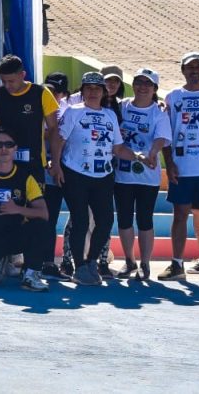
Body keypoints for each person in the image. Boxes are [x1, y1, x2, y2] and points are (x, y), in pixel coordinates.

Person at [49, 71, 145, 285]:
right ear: (82, 91)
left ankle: (91, 261)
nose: (93, 92)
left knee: (105, 221)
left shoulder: (110, 115)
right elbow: (58, 139)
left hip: (103, 175)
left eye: (97, 88)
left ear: (104, 92)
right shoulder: (73, 112)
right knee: (80, 220)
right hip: (75, 173)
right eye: (89, 88)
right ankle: (79, 267)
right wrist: (56, 165)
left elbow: (118, 147)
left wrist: (137, 156)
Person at [0, 128, 50, 292]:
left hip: (16, 236)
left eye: (9, 144)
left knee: (41, 225)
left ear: (15, 148)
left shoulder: (26, 178)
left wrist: (17, 209)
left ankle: (30, 274)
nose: (4, 149)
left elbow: (43, 213)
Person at [114, 68, 171, 281]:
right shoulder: (121, 106)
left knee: (145, 220)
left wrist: (153, 153)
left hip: (147, 174)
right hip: (122, 174)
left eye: (147, 83)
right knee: (124, 219)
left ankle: (145, 263)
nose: (142, 86)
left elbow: (161, 137)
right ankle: (129, 261)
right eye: (138, 81)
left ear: (155, 88)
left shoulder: (159, 112)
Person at [160, 52, 199, 281]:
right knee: (179, 215)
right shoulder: (173, 97)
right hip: (183, 166)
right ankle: (177, 264)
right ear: (182, 70)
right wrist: (169, 163)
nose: (195, 71)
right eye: (190, 67)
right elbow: (166, 134)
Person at [0, 55, 59, 185]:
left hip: (34, 161)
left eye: (11, 81)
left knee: (35, 204)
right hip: (4, 160)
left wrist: (56, 162)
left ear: (22, 75)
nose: (7, 85)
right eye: (4, 81)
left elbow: (53, 129)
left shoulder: (41, 93)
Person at [37, 71, 73, 281]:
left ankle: (49, 262)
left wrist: (55, 163)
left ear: (64, 94)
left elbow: (62, 139)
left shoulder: (67, 113)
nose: (52, 94)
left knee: (49, 218)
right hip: (34, 171)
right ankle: (31, 259)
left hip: (56, 172)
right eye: (48, 89)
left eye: (56, 91)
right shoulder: (34, 109)